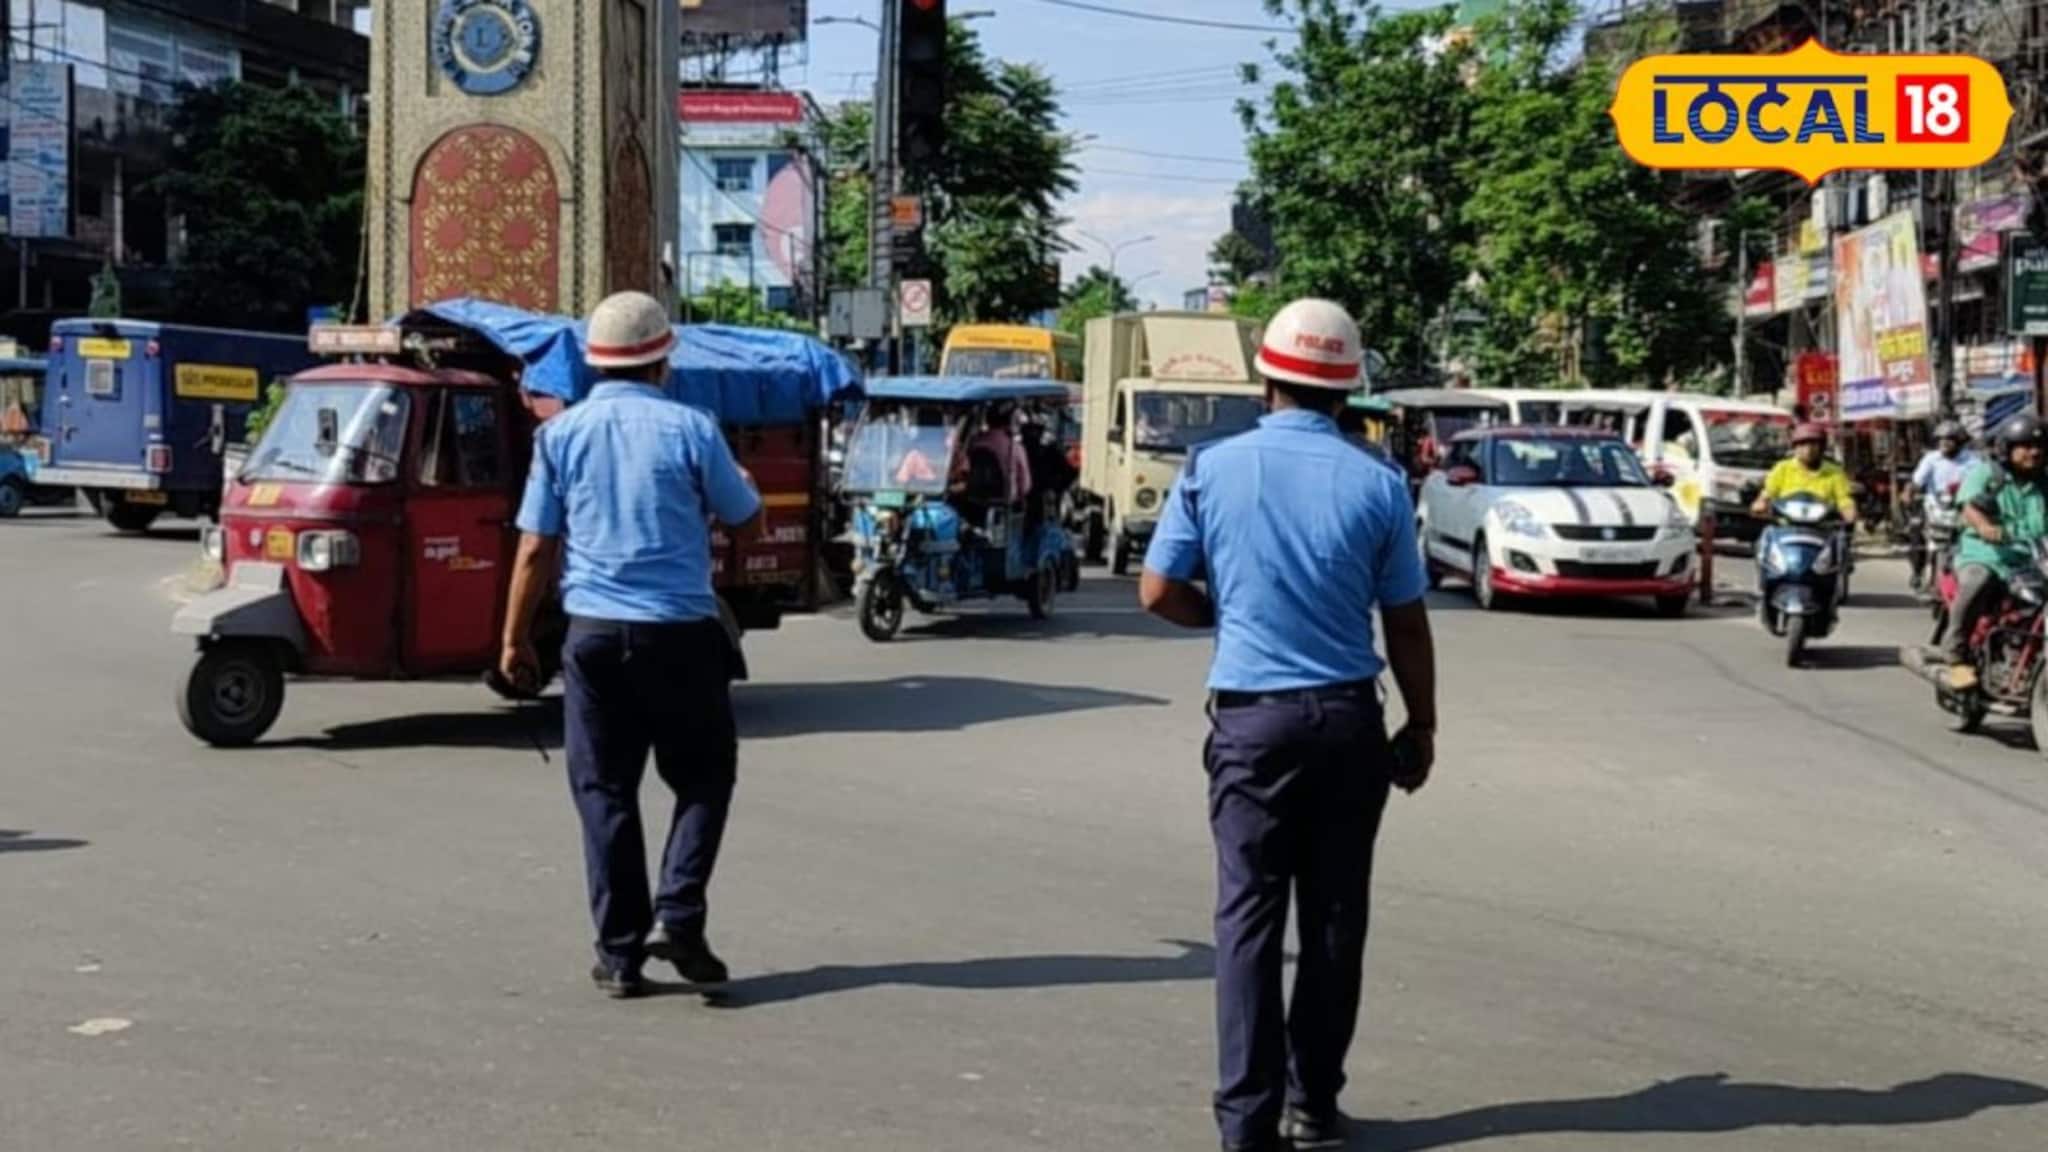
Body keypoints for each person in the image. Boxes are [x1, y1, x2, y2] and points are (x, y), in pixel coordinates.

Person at [1139, 298, 1438, 1152]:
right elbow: (1406, 621)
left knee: (1249, 923)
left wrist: (1229, 619)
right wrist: (1422, 725)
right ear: (1347, 392)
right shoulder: (1379, 482)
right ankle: (1314, 1104)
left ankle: (1246, 1123)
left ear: (1266, 377)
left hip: (1252, 728)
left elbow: (1158, 593)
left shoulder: (1210, 469)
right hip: (1347, 723)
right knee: (1336, 920)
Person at [499, 291, 763, 1000]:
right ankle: (678, 914)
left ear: (596, 364)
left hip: (590, 637)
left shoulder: (560, 437)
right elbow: (746, 522)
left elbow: (534, 548)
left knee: (604, 790)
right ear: (661, 360)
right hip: (681, 634)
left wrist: (514, 640)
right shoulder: (693, 429)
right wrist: (741, 492)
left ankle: (619, 955)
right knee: (705, 777)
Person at [1943, 414, 2048, 690]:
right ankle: (1956, 655)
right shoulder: (1987, 474)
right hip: (1985, 554)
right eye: (2024, 446)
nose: (2034, 452)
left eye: (2039, 447)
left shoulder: (2044, 483)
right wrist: (1985, 527)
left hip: (2032, 559)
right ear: (2007, 448)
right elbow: (1969, 506)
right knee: (1976, 581)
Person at [1750, 422, 1858, 524]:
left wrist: (1849, 512)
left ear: (1822, 448)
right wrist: (1761, 503)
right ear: (1795, 448)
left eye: (1813, 444)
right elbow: (1768, 493)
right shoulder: (1782, 468)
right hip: (1786, 527)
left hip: (1821, 529)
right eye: (1802, 444)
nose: (1808, 450)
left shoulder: (1835, 472)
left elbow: (1844, 500)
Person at [967, 403, 1032, 503]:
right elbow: (1025, 486)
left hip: (972, 498)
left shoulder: (974, 442)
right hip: (1004, 502)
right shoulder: (1015, 447)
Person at [1909, 419, 1977, 501]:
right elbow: (1917, 481)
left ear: (1959, 441)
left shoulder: (1972, 460)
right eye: (1941, 438)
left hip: (1964, 503)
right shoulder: (1931, 459)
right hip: (1936, 505)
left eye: (1950, 438)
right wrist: (1910, 491)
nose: (1944, 442)